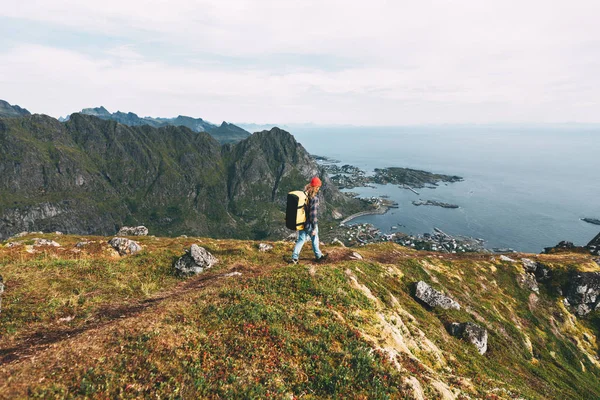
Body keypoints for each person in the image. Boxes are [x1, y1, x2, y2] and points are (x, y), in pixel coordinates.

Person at [288, 176, 328, 264]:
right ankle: (319, 256)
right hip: (310, 224)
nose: (318, 189)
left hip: (302, 222)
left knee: (301, 240)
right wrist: (313, 228)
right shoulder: (314, 198)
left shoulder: (304, 195)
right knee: (315, 239)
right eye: (318, 187)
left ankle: (294, 258)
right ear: (316, 187)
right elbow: (313, 214)